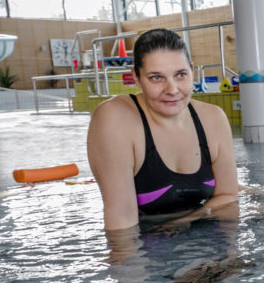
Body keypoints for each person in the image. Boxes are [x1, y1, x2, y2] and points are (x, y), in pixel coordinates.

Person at [87, 28, 239, 233]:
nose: (172, 90)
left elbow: (228, 197)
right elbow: (121, 219)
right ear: (136, 77)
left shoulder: (213, 118)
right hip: (149, 242)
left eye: (181, 75)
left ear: (192, 71)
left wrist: (184, 223)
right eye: (156, 78)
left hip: (202, 231)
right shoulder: (115, 119)